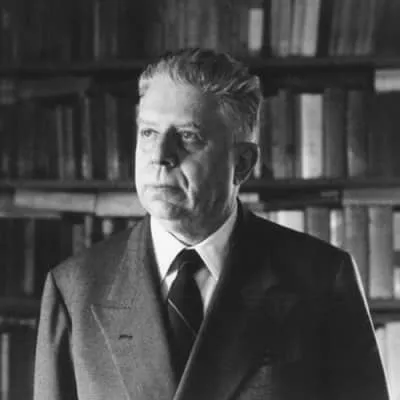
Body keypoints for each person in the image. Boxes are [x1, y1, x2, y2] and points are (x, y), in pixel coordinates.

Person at [34, 48, 389, 400]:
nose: (160, 156)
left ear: (243, 163)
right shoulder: (74, 289)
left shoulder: (322, 279)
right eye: (148, 133)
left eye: (188, 136)